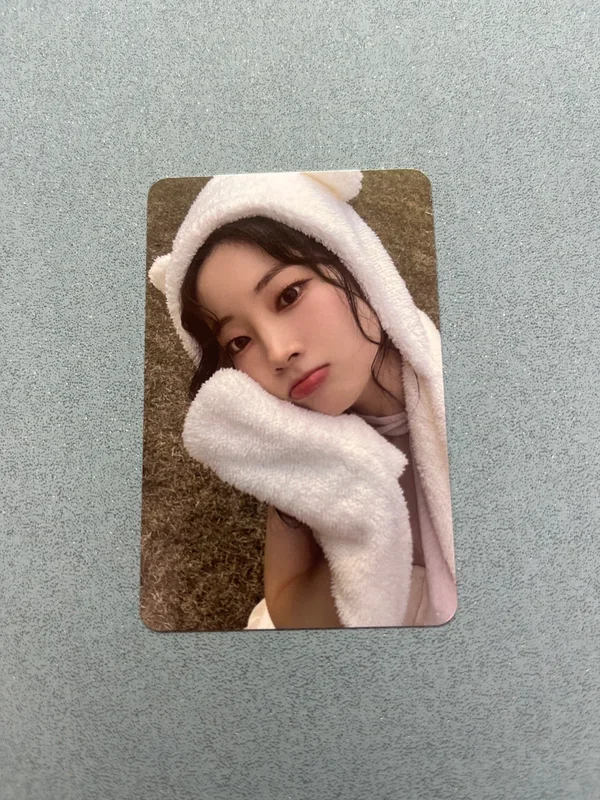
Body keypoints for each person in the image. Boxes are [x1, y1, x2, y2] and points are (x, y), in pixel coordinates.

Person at [149, 170, 457, 630]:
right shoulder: (301, 453)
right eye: (239, 341)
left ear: (355, 264)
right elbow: (290, 608)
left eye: (289, 295)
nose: (277, 352)